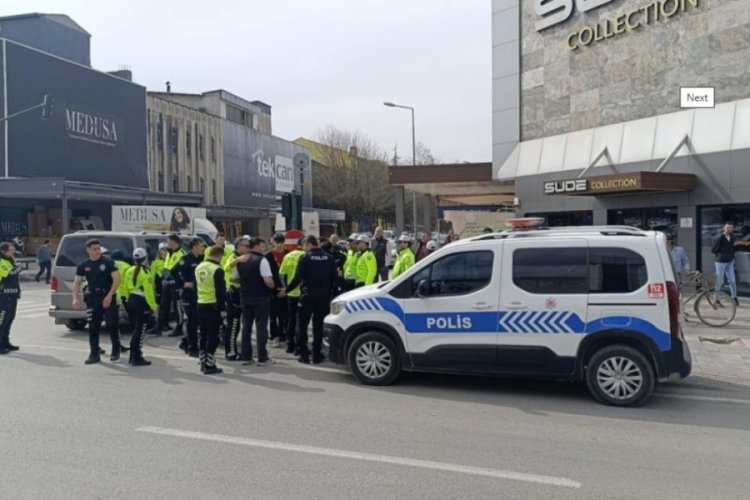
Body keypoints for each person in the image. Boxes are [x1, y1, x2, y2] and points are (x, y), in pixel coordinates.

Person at [286, 235, 337, 364]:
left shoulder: (305, 258)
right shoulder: (329, 258)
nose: (304, 248)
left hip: (308, 296)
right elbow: (334, 279)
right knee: (318, 326)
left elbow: (297, 278)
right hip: (324, 297)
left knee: (301, 325)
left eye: (304, 245)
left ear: (309, 244)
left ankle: (303, 355)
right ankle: (316, 355)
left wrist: (286, 290)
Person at [72, 239, 123, 364]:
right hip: (93, 298)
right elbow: (77, 282)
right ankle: (94, 354)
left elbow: (117, 279)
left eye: (99, 249)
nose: (97, 251)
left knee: (112, 324)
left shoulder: (108, 262)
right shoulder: (84, 265)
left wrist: (110, 295)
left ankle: (116, 349)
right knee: (93, 327)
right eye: (94, 249)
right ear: (88, 250)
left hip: (108, 296)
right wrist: (75, 298)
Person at [237, 237, 276, 366]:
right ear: (257, 246)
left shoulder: (241, 260)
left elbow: (234, 278)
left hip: (245, 296)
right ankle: (262, 357)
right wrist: (273, 287)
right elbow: (268, 281)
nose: (264, 249)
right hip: (260, 297)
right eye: (262, 246)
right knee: (261, 327)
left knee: (246, 327)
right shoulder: (262, 260)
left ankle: (246, 356)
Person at [196, 246, 227, 375]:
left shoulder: (199, 267)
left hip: (201, 303)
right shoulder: (217, 270)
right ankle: (209, 364)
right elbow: (220, 291)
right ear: (218, 255)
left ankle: (202, 361)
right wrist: (223, 308)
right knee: (213, 335)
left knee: (203, 333)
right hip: (213, 305)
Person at [123, 248, 155, 366]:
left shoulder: (129, 270)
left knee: (135, 329)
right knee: (140, 330)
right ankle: (136, 356)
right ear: (145, 258)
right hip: (141, 301)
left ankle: (133, 355)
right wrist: (153, 306)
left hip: (131, 300)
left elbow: (125, 287)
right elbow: (149, 291)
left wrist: (127, 300)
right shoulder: (145, 272)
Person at [174, 237, 205, 357]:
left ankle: (185, 342)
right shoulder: (186, 259)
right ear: (194, 247)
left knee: (197, 321)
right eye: (201, 246)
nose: (203, 248)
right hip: (188, 294)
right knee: (192, 321)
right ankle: (192, 348)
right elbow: (174, 271)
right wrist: (183, 284)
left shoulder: (202, 258)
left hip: (199, 293)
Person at [223, 236, 250, 360]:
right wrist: (238, 260)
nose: (248, 248)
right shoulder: (234, 257)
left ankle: (233, 350)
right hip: (232, 294)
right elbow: (227, 267)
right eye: (246, 246)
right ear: (238, 246)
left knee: (236, 324)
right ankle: (230, 352)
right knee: (233, 324)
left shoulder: (244, 258)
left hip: (239, 293)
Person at [279, 238, 305, 354]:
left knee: (291, 319)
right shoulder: (305, 256)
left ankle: (290, 345)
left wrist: (286, 288)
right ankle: (300, 346)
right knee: (301, 321)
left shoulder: (288, 256)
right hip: (303, 293)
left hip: (291, 293)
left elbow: (282, 274)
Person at [158, 234, 186, 335]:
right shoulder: (169, 253)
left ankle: (179, 327)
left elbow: (179, 269)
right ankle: (161, 325)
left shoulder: (181, 253)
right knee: (164, 304)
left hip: (176, 284)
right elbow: (167, 266)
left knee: (177, 306)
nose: (167, 243)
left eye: (168, 241)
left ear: (174, 241)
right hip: (167, 283)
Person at [711, 221, 740, 306]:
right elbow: (713, 249)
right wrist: (721, 254)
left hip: (730, 262)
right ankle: (715, 299)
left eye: (731, 228)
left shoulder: (733, 237)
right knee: (720, 281)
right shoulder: (719, 237)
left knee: (732, 281)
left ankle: (734, 297)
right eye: (728, 227)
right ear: (724, 228)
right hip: (720, 262)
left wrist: (731, 256)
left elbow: (733, 248)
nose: (729, 229)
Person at [267, 233, 288, 348]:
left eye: (281, 243)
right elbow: (266, 275)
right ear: (273, 243)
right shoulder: (268, 256)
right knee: (273, 316)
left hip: (287, 289)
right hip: (272, 291)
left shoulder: (288, 255)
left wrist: (286, 289)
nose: (279, 245)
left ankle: (283, 334)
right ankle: (274, 336)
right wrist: (275, 289)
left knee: (285, 315)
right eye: (277, 243)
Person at [0, 242, 21, 354]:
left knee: (9, 319)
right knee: (2, 320)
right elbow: (10, 274)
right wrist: (19, 267)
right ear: (4, 251)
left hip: (12, 295)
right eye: (11, 250)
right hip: (3, 296)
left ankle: (5, 342)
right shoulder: (1, 261)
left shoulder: (10, 261)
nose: (13, 252)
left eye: (14, 249)